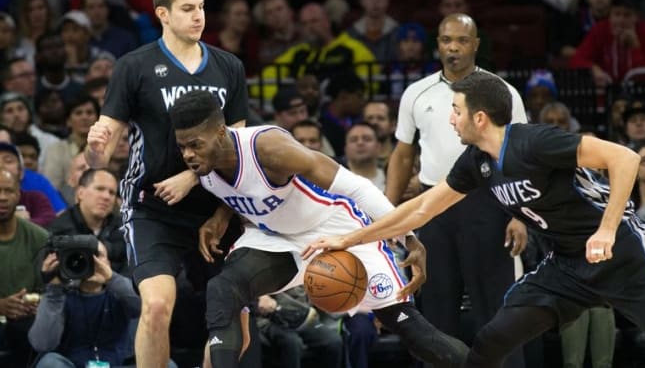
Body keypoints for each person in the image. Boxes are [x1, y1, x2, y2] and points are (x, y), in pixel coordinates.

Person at [304, 71, 645, 368]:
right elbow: (422, 208)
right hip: (566, 267)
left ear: (479, 117)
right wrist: (351, 239)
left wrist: (607, 229)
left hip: (624, 256)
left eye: (456, 110)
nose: (451, 119)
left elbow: (624, 158)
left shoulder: (534, 141)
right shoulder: (476, 162)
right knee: (493, 337)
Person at [168, 90, 469, 368]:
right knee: (223, 288)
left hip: (337, 229)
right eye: (182, 147)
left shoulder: (268, 148)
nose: (188, 155)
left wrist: (408, 237)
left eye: (195, 145)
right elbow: (246, 189)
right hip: (277, 239)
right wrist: (220, 217)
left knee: (413, 331)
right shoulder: (204, 165)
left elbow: (358, 187)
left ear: (221, 133)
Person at [84, 0, 248, 368]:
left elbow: (238, 149)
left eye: (202, 7)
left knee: (235, 328)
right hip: (152, 207)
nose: (199, 17)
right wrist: (93, 150)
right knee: (156, 307)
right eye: (188, 9)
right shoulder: (134, 66)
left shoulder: (228, 66)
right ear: (163, 13)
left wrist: (195, 176)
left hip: (217, 208)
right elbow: (100, 159)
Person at [384, 13, 527, 367]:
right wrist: (387, 216)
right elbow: (402, 156)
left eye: (462, 40)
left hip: (490, 203)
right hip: (435, 207)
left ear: (476, 45)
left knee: (497, 311)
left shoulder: (502, 92)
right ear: (438, 45)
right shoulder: (417, 93)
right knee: (434, 311)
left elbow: (522, 157)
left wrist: (519, 214)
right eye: (447, 40)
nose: (453, 48)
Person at [29, 241, 140, 368]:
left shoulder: (119, 292)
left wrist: (112, 278)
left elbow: (144, 307)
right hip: (72, 365)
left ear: (108, 263)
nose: (92, 262)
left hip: (117, 364)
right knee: (50, 362)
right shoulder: (60, 296)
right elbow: (42, 344)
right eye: (83, 257)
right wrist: (54, 289)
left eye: (97, 255)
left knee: (164, 363)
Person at [0, 169, 49, 367]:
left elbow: (51, 290)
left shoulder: (39, 237)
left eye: (8, 191)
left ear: (18, 195)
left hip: (27, 324)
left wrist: (37, 304)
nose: (2, 197)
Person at [46, 168, 126, 274]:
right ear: (80, 193)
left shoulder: (124, 228)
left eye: (112, 193)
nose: (106, 197)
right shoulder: (59, 229)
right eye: (100, 189)